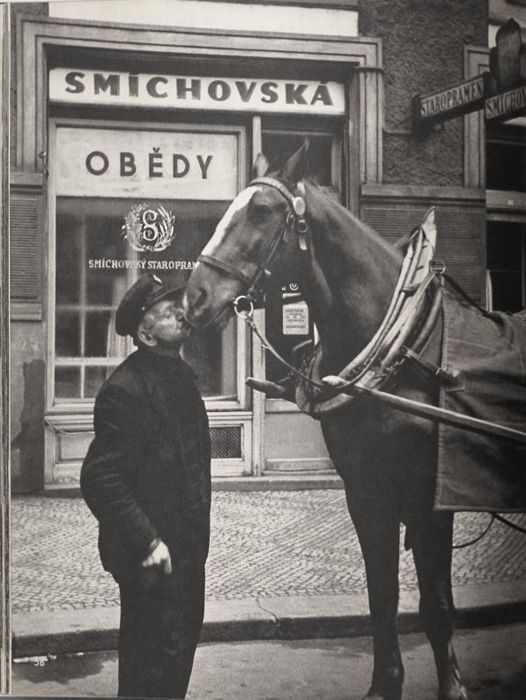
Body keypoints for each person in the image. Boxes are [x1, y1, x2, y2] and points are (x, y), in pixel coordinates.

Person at [80, 273, 211, 699]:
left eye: (180, 303)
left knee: (175, 663)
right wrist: (148, 542)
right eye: (168, 309)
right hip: (151, 561)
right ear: (145, 332)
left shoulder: (182, 377)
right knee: (148, 670)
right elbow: (100, 477)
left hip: (187, 554)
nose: (181, 311)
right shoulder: (125, 390)